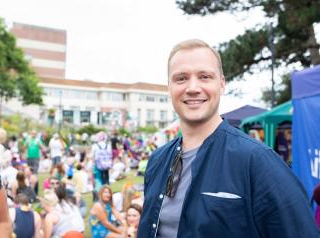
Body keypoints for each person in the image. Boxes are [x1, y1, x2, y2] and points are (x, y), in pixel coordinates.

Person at [137, 39, 320, 238]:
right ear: (169, 87)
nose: (192, 87)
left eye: (204, 76)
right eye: (181, 78)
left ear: (222, 84)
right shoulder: (157, 160)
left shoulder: (257, 161)